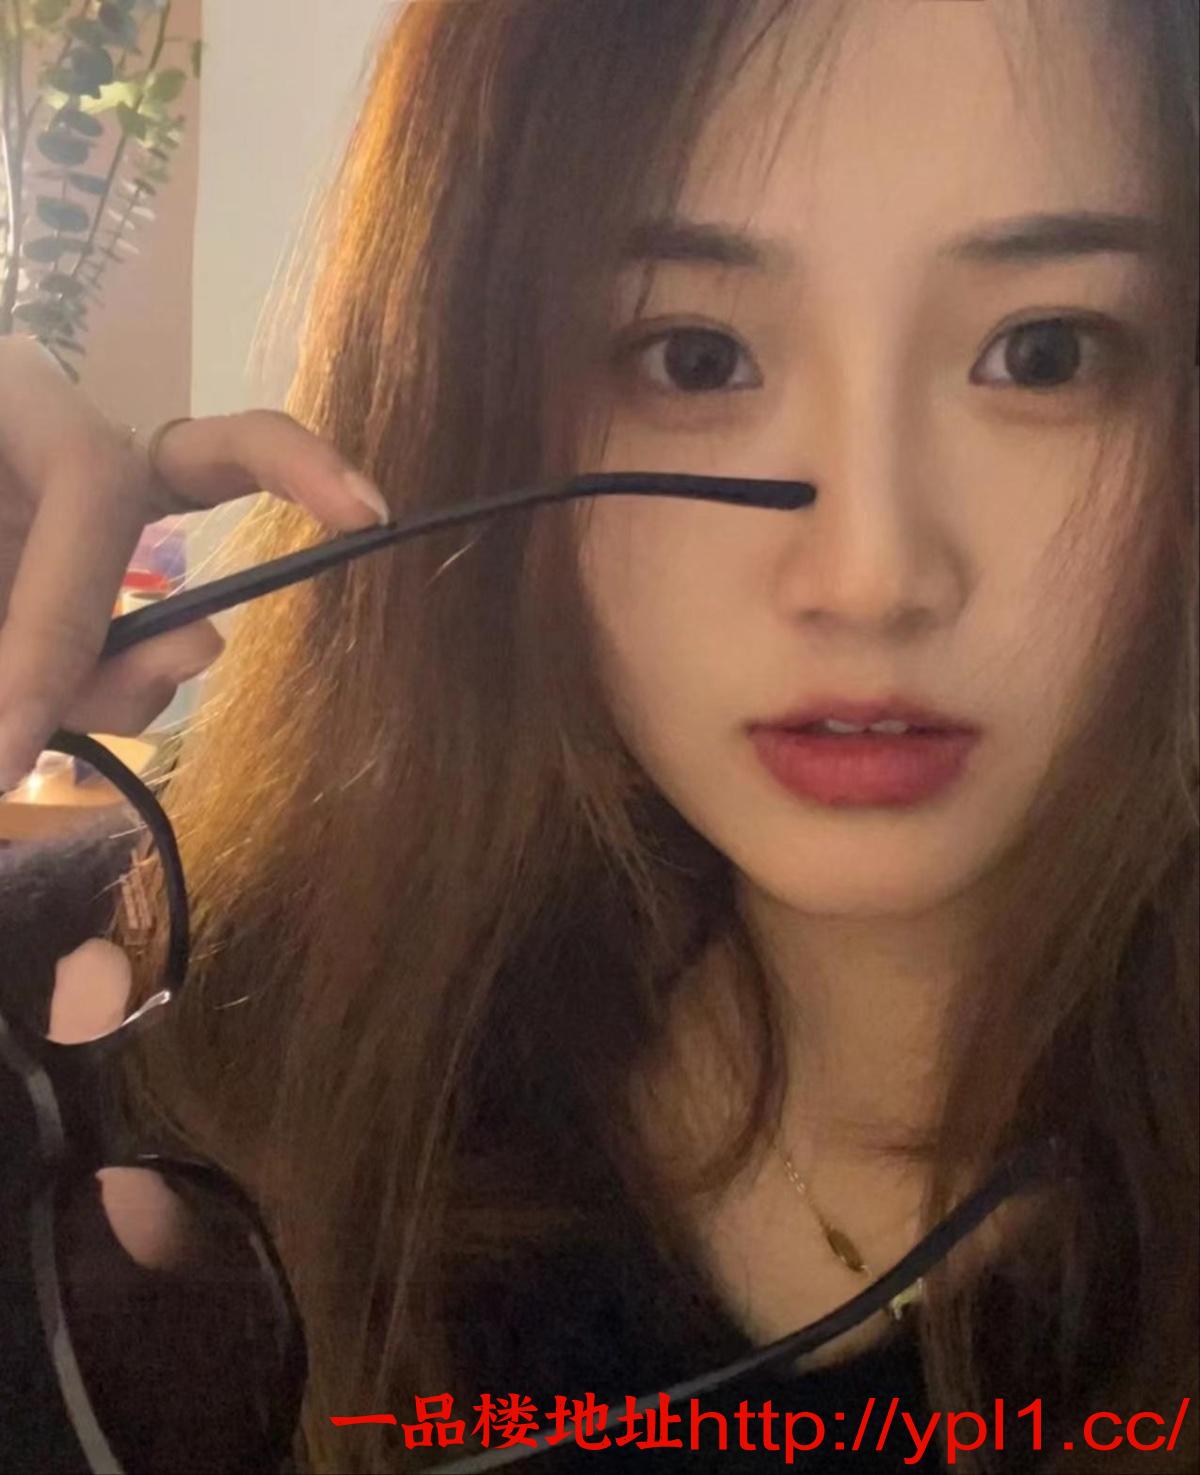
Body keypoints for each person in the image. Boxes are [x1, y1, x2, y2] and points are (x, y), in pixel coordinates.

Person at [0, 1, 1196, 1471]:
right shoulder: (111, 1037)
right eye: (694, 359)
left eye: (1047, 354)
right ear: (470, 411)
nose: (872, 578)